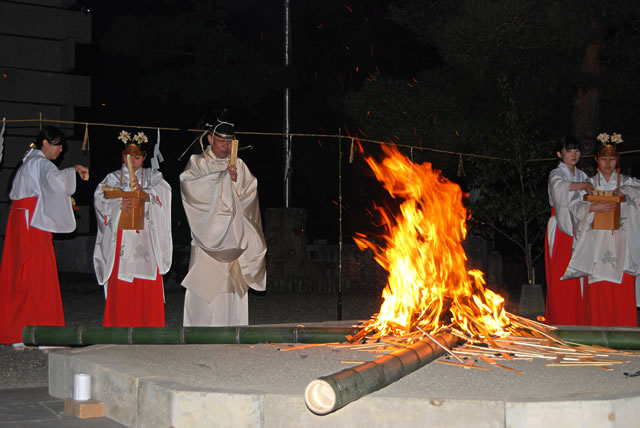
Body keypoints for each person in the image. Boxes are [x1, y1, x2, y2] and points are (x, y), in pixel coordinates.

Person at [0, 126, 88, 345]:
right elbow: (56, 181)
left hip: (20, 220)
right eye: (57, 145)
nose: (60, 151)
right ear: (45, 144)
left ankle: (17, 332)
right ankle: (45, 334)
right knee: (39, 274)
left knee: (20, 274)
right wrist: (72, 170)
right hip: (33, 222)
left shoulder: (28, 161)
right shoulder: (39, 163)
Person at [180, 112, 266, 326]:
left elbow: (249, 195)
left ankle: (232, 333)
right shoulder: (198, 163)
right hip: (207, 239)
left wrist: (234, 183)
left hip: (233, 239)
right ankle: (199, 334)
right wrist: (222, 179)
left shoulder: (240, 165)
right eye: (220, 141)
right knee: (205, 288)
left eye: (229, 142)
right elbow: (191, 190)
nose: (225, 147)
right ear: (210, 139)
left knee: (230, 288)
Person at [93, 131, 172, 327]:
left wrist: (143, 194)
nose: (133, 162)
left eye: (137, 157)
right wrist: (119, 202)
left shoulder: (153, 176)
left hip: (147, 239)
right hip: (122, 241)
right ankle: (119, 328)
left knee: (146, 282)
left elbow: (164, 192)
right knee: (122, 281)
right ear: (122, 156)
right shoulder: (112, 178)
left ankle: (149, 328)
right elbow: (100, 198)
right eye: (129, 157)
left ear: (144, 157)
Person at [563, 133, 640, 326]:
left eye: (612, 158)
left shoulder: (628, 183)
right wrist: (592, 208)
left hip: (623, 246)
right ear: (596, 159)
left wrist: (627, 194)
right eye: (604, 158)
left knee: (621, 288)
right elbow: (574, 207)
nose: (608, 163)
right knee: (598, 289)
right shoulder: (589, 186)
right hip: (596, 245)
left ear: (618, 159)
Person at [544, 136, 593, 325]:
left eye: (577, 151)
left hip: (581, 226)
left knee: (580, 275)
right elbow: (560, 190)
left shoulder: (582, 175)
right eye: (569, 150)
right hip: (561, 227)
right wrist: (584, 187)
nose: (574, 154)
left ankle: (579, 318)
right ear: (559, 153)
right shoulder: (556, 174)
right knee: (561, 276)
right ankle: (561, 320)